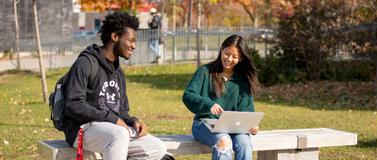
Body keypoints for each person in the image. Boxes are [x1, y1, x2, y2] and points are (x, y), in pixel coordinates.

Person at [62, 12, 170, 160]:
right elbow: (73, 104)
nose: (134, 46)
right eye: (130, 40)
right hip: (83, 129)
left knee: (158, 148)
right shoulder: (86, 63)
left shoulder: (118, 72)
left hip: (114, 130)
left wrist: (133, 121)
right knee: (119, 135)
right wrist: (113, 119)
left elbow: (122, 111)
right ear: (115, 37)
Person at [182, 35, 260, 160]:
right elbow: (188, 96)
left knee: (245, 143)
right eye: (227, 54)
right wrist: (208, 104)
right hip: (204, 124)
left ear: (240, 59)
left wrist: (252, 125)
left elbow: (247, 110)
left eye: (235, 57)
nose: (229, 59)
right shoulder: (205, 72)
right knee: (224, 142)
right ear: (221, 50)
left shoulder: (242, 80)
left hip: (234, 127)